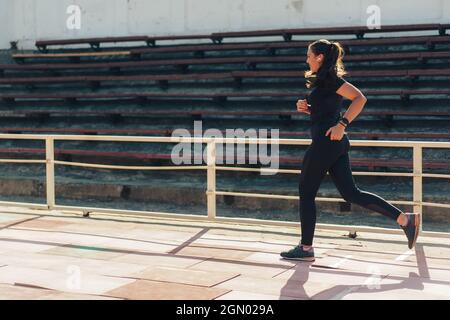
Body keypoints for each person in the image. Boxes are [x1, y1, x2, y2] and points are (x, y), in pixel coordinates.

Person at [280, 39, 420, 262]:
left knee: (306, 192)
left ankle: (306, 249)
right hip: (333, 143)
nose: (306, 59)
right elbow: (325, 112)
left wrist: (342, 124)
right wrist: (308, 109)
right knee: (351, 193)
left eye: (309, 55)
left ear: (320, 57)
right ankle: (405, 220)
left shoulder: (331, 79)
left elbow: (360, 98)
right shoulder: (322, 81)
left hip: (326, 143)